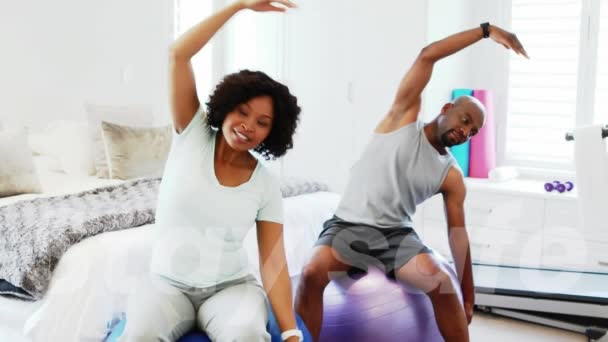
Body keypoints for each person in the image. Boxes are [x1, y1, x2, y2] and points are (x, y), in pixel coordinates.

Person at [295, 22, 528, 342]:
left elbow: (457, 235)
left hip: (396, 237)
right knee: (310, 273)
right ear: (447, 109)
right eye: (464, 120)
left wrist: (469, 295)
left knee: (442, 285)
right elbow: (427, 56)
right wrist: (486, 32)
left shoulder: (451, 175)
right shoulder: (402, 119)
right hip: (348, 226)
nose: (466, 132)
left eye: (473, 131)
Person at [124, 1, 303, 341]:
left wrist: (291, 330)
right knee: (139, 334)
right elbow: (178, 54)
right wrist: (238, 6)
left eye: (262, 123)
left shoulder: (265, 184)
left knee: (246, 334)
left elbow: (273, 262)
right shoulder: (192, 133)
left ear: (271, 133)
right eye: (242, 111)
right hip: (165, 284)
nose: (248, 126)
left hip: (230, 290)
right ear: (226, 106)